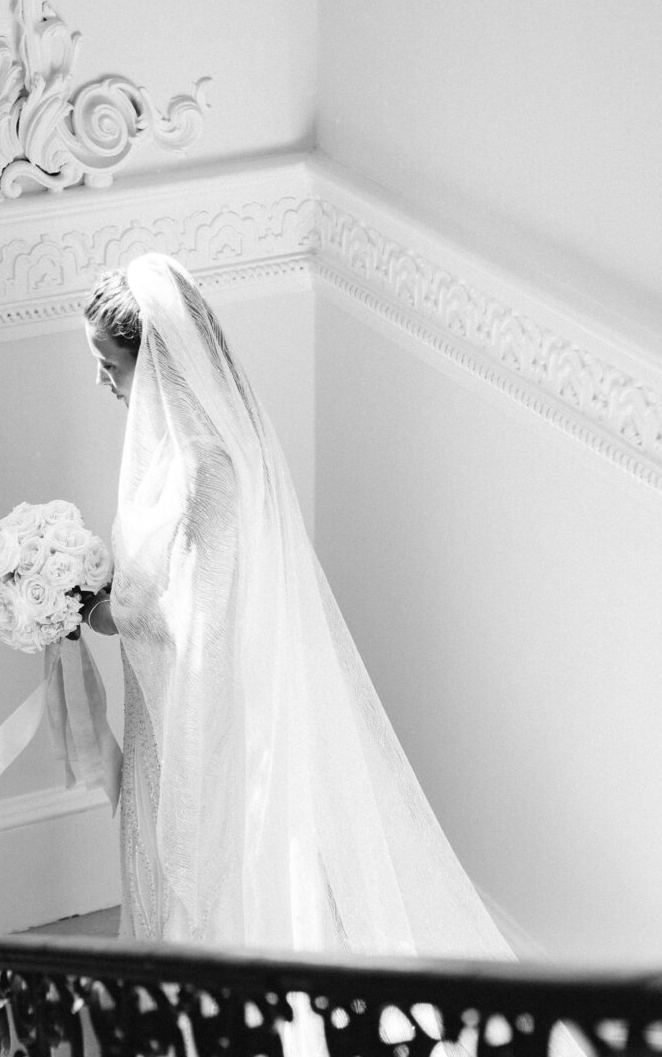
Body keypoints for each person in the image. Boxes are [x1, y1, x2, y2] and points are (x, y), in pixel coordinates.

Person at [81, 251, 515, 967]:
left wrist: (95, 611)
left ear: (154, 362)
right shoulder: (183, 446)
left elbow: (200, 628)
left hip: (208, 717)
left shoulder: (207, 472)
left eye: (110, 365)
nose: (102, 381)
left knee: (209, 873)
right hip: (164, 703)